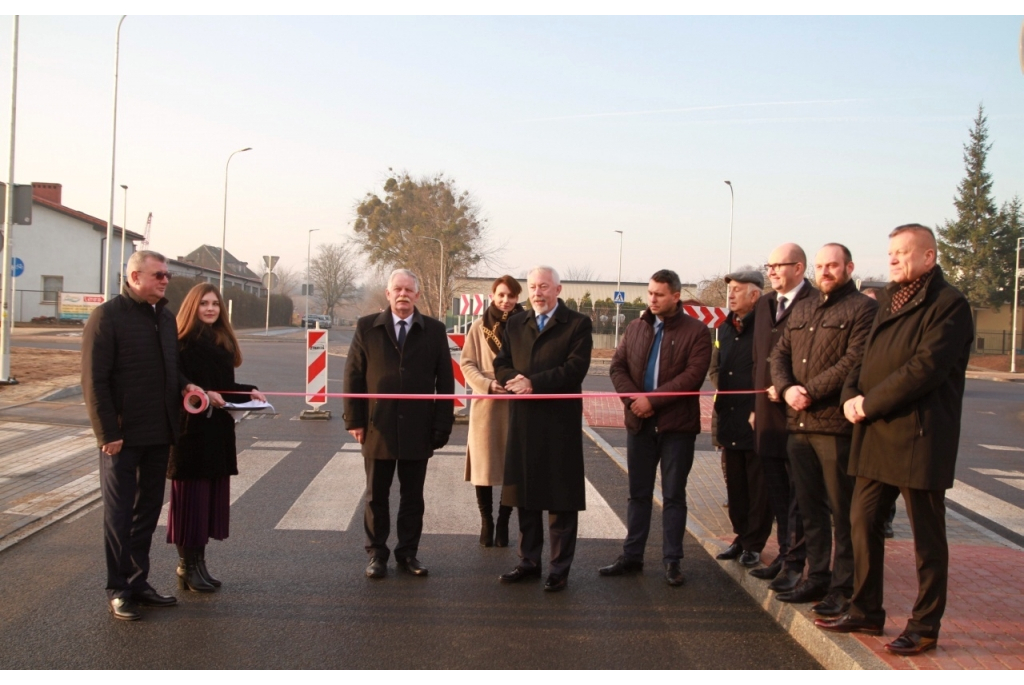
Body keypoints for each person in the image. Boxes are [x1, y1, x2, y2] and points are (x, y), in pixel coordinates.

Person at [816, 224, 973, 656]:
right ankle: (865, 608)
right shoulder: (886, 298)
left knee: (927, 538)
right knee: (862, 521)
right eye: (890, 254)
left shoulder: (950, 304)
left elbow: (925, 368)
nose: (893, 260)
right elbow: (863, 357)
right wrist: (850, 395)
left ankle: (924, 625)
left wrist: (870, 403)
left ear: (929, 256)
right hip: (875, 433)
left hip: (919, 437)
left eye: (903, 253)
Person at [82, 250, 198, 621]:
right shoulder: (107, 317)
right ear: (134, 277)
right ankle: (118, 589)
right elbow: (94, 381)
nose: (165, 280)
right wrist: (107, 432)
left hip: (158, 432)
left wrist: (186, 386)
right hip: (122, 437)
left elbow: (170, 368)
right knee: (119, 515)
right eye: (159, 275)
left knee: (147, 512)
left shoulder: (164, 317)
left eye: (167, 275)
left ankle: (138, 582)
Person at [770, 244, 878, 615]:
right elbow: (779, 354)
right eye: (820, 266)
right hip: (799, 425)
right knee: (810, 509)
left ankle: (842, 586)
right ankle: (815, 575)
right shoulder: (804, 307)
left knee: (842, 511)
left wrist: (809, 392)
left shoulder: (864, 309)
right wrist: (786, 389)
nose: (825, 271)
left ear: (849, 266)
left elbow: (855, 360)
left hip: (833, 427)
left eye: (832, 265)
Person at [601, 269, 712, 586]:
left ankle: (672, 561)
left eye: (659, 294)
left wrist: (652, 401)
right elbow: (617, 366)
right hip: (640, 425)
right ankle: (632, 556)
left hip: (677, 428)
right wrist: (634, 400)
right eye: (650, 293)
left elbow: (693, 377)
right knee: (638, 494)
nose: (652, 299)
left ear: (676, 297)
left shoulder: (697, 332)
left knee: (674, 495)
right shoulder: (636, 327)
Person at [343, 269, 454, 579]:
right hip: (378, 425)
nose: (403, 294)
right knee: (375, 495)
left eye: (409, 290)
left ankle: (408, 553)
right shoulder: (367, 327)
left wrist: (442, 424)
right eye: (397, 289)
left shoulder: (433, 330)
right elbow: (353, 374)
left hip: (419, 427)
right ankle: (376, 554)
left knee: (412, 496)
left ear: (416, 296)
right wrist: (354, 419)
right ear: (388, 294)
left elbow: (445, 381)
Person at [494, 266, 593, 592]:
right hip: (524, 421)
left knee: (560, 500)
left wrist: (532, 383)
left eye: (544, 287)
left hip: (558, 423)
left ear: (558, 290)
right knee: (526, 496)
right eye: (533, 287)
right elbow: (501, 362)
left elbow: (574, 369)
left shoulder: (577, 324)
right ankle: (528, 562)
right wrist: (514, 380)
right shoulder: (516, 323)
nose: (537, 292)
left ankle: (559, 569)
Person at [167, 284, 266, 592]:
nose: (210, 309)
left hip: (217, 432)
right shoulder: (180, 342)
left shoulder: (222, 341)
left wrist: (248, 391)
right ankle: (186, 565)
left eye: (215, 304)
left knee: (207, 503)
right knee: (190, 504)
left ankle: (199, 564)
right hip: (190, 433)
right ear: (192, 307)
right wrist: (198, 390)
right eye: (204, 304)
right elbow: (175, 381)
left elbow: (223, 386)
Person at [748, 243, 813, 594]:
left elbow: (813, 359)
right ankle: (783, 554)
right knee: (775, 489)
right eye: (768, 265)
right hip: (767, 415)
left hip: (800, 414)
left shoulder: (814, 303)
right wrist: (755, 408)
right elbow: (760, 358)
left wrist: (790, 387)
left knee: (797, 494)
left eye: (778, 265)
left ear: (799, 268)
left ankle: (795, 563)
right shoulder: (765, 304)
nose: (771, 271)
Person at [709, 269, 772, 567]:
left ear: (754, 294)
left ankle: (754, 543)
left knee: (758, 487)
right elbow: (716, 365)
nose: (731, 294)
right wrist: (722, 386)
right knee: (735, 486)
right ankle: (741, 536)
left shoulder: (767, 326)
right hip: (730, 416)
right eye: (729, 289)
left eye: (737, 289)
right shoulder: (724, 327)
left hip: (755, 418)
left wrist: (758, 407)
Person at [462, 275, 524, 548]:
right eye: (501, 295)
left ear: (517, 298)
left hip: (517, 405)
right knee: (485, 467)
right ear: (492, 296)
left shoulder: (526, 326)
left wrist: (518, 382)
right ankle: (486, 521)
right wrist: (487, 384)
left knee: (513, 467)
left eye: (510, 296)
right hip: (486, 406)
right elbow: (466, 364)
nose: (505, 301)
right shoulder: (478, 327)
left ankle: (503, 520)